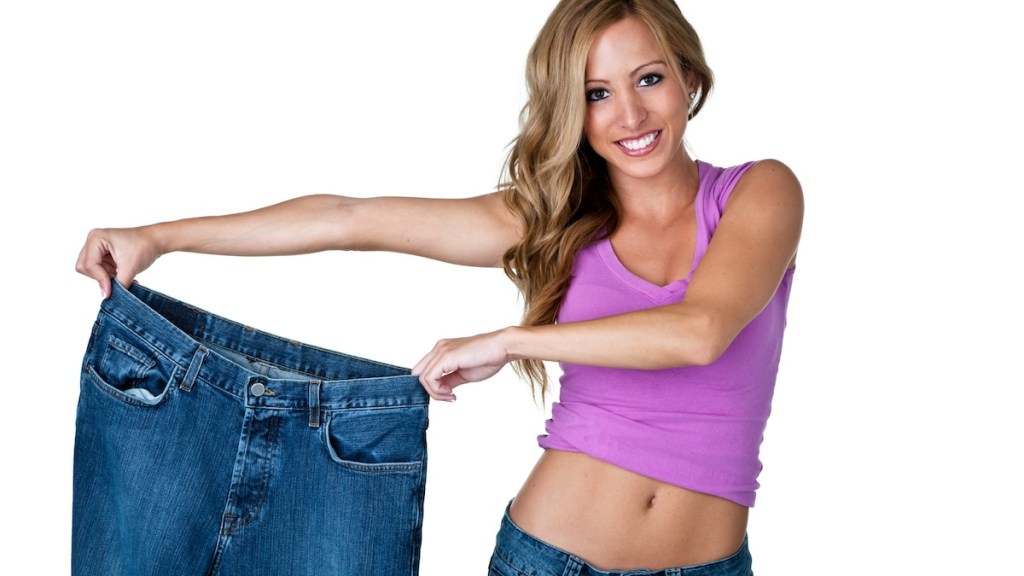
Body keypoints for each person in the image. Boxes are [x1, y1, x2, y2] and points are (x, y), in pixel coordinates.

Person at [76, 0, 802, 573]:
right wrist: (160, 237)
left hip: (709, 564)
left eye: (648, 78)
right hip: (550, 561)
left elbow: (700, 331)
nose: (631, 115)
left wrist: (512, 341)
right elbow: (350, 218)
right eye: (597, 94)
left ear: (688, 77)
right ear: (572, 113)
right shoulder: (551, 221)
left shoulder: (757, 195)